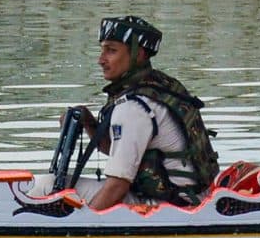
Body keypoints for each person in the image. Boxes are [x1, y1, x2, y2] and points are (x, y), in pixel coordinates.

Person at [22, 16, 219, 212]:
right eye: (102, 50)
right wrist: (90, 124)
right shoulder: (160, 86)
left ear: (139, 54)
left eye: (111, 50)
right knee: (56, 184)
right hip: (188, 195)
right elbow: (123, 152)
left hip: (172, 205)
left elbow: (117, 186)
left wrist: (85, 226)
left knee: (46, 186)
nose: (101, 60)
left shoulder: (134, 107)